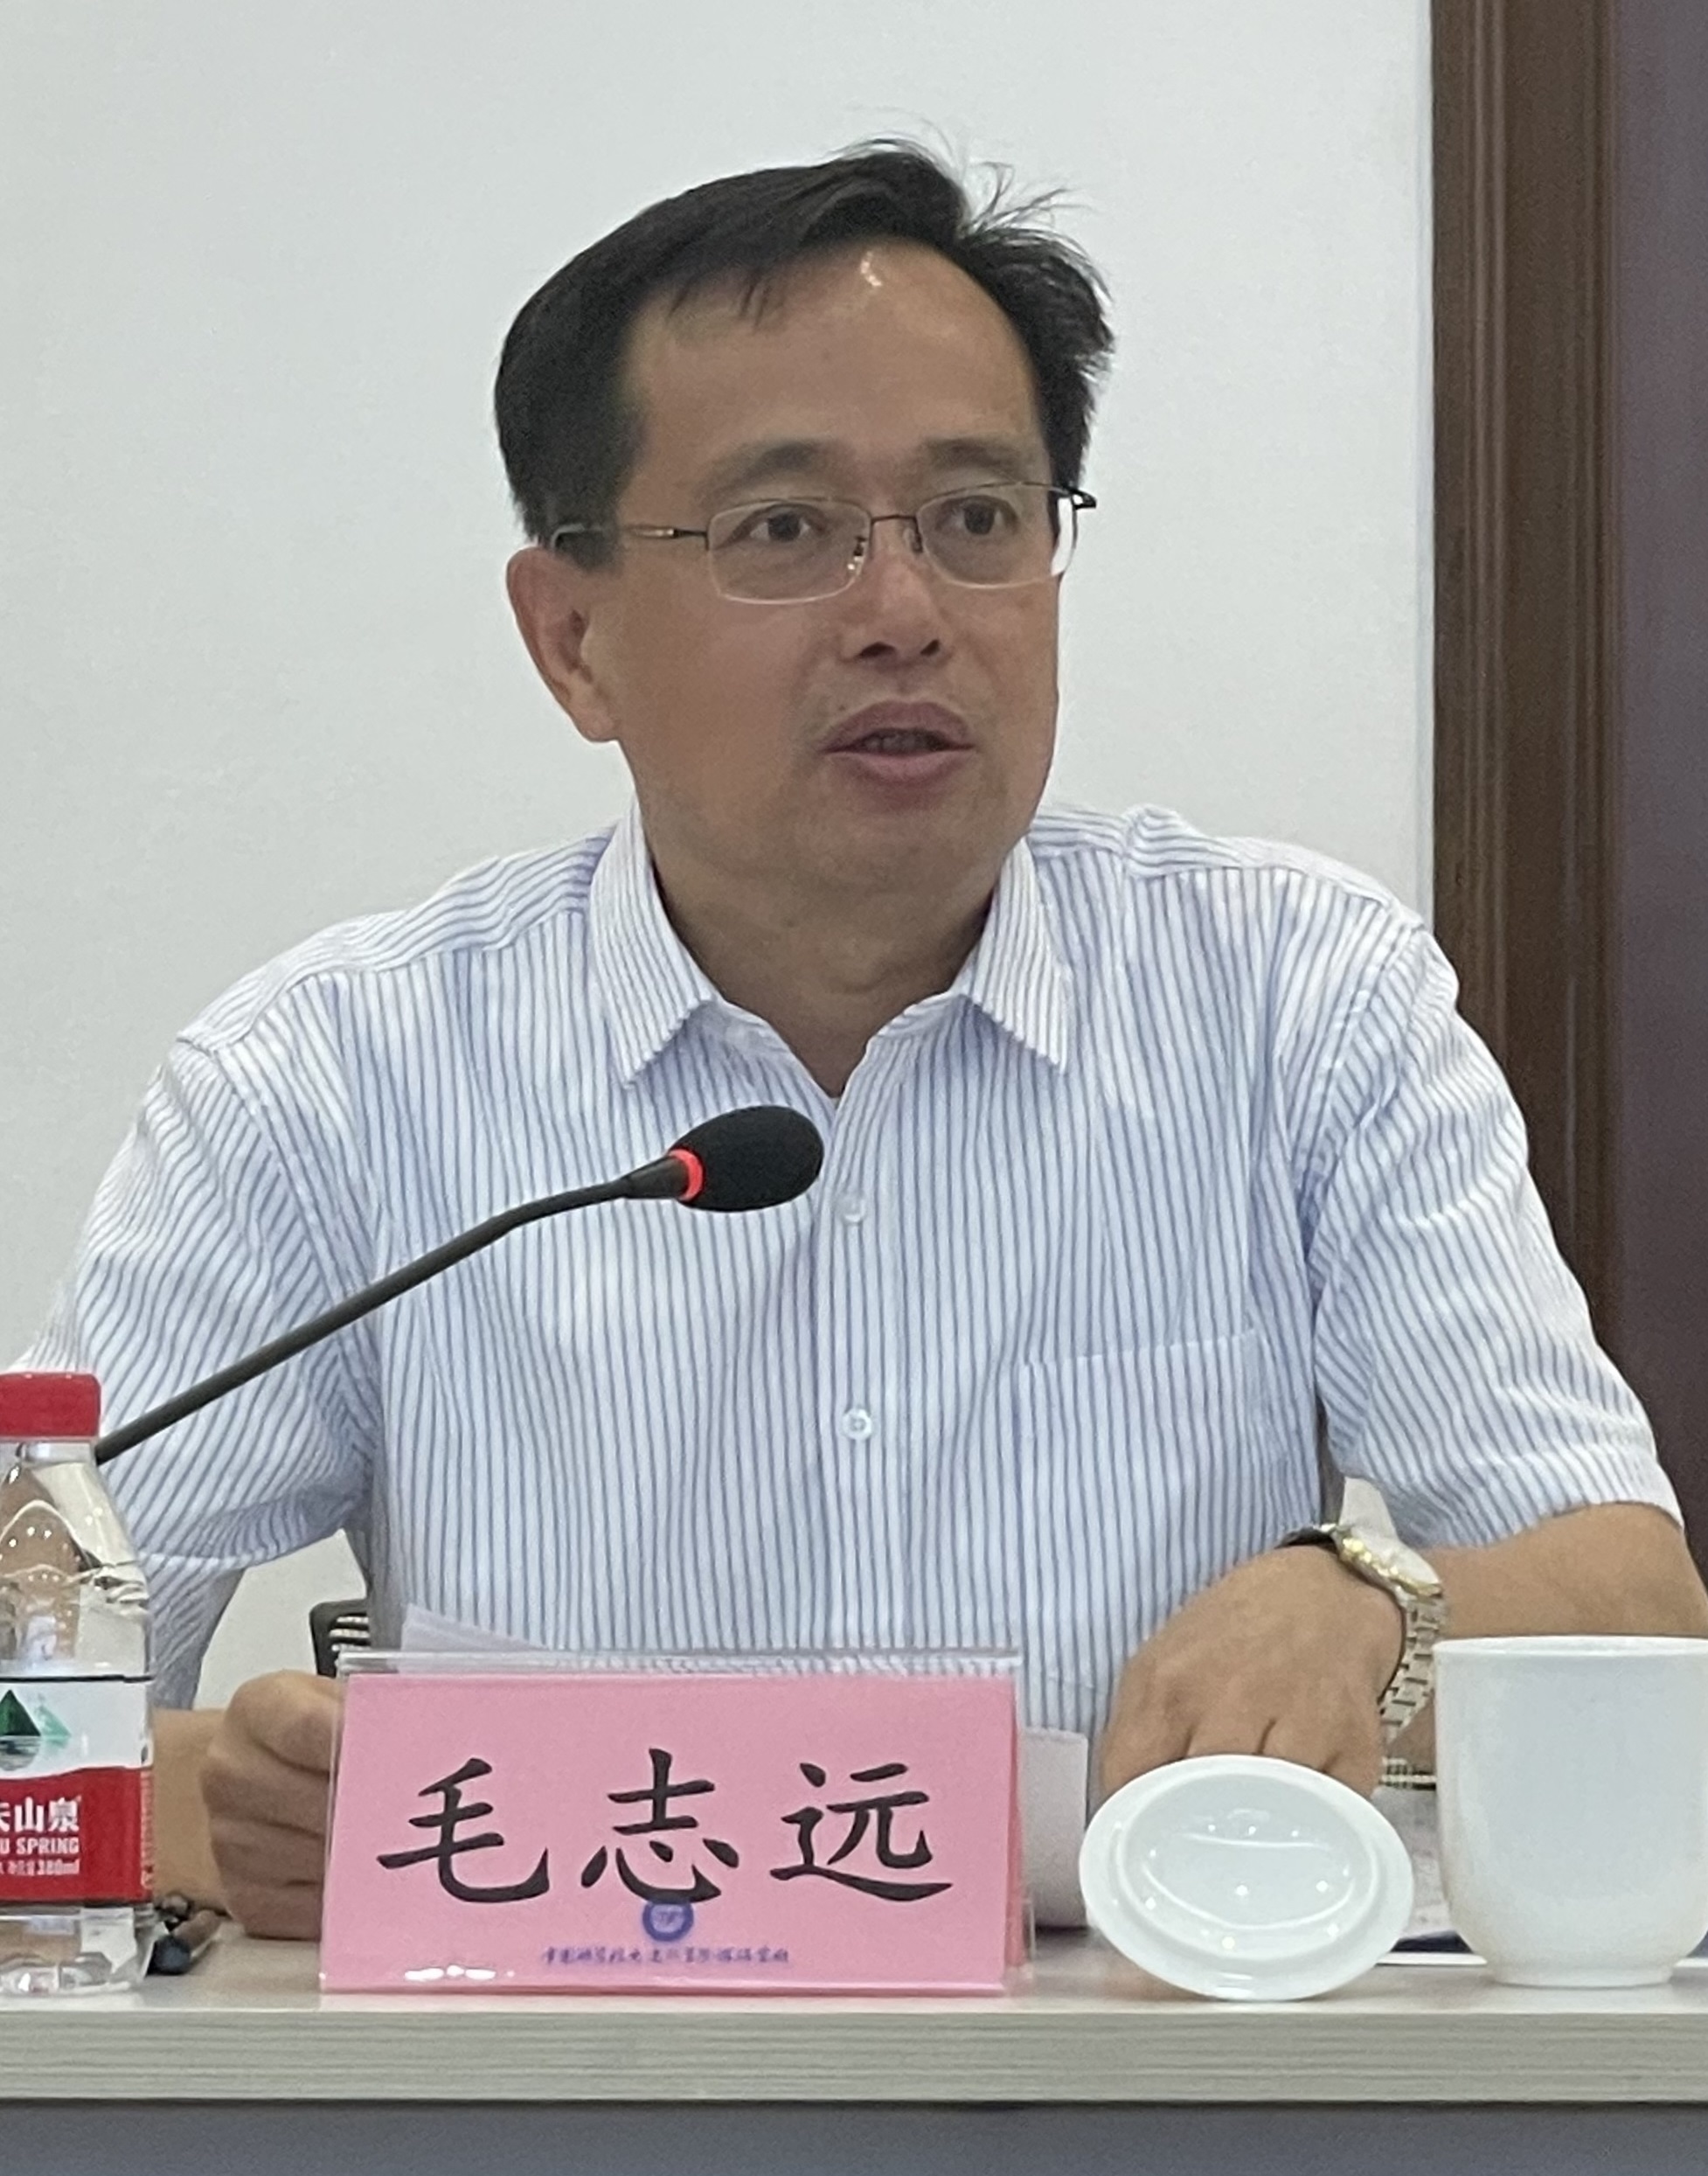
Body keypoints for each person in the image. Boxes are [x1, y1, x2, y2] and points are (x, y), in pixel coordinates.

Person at [24, 145, 1707, 1938]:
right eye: (783, 532)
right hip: (573, 2067)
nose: (904, 612)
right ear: (572, 640)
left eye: (977, 519)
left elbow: (1629, 1593)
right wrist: (204, 1807)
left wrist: (1376, 1604)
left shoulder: (1296, 998)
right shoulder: (329, 1078)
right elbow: (22, 1680)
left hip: (1149, 2057)